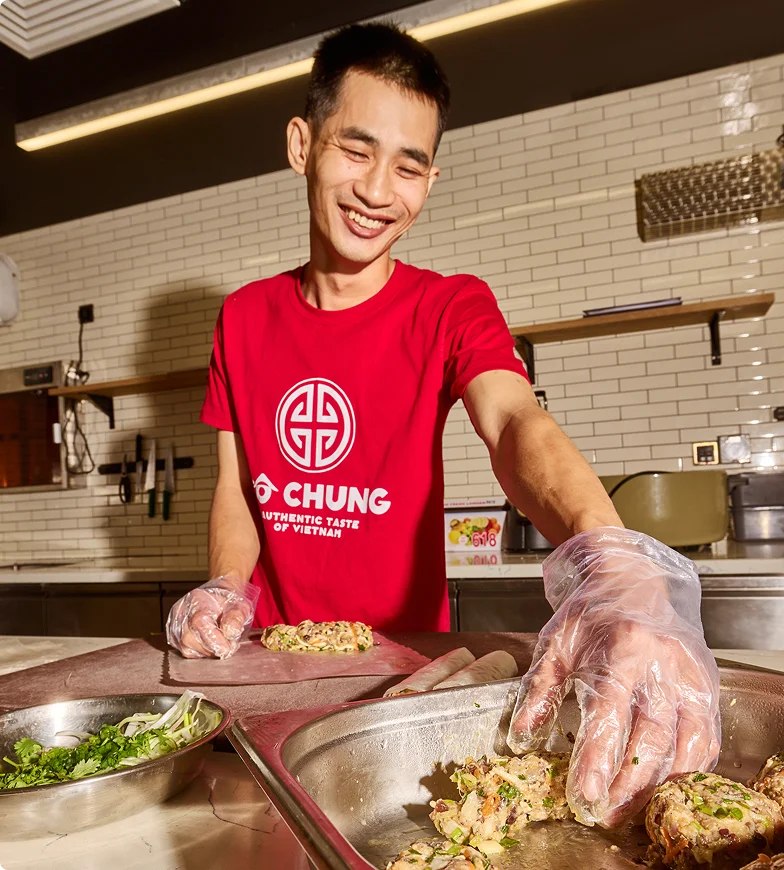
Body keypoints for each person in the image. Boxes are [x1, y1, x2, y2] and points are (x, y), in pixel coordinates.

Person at [166, 22, 720, 828]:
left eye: (408, 165)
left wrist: (612, 560)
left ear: (431, 177)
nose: (377, 190)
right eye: (356, 150)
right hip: (270, 674)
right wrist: (225, 584)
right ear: (302, 145)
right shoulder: (244, 317)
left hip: (408, 680)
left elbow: (515, 423)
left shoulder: (451, 305)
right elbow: (238, 488)